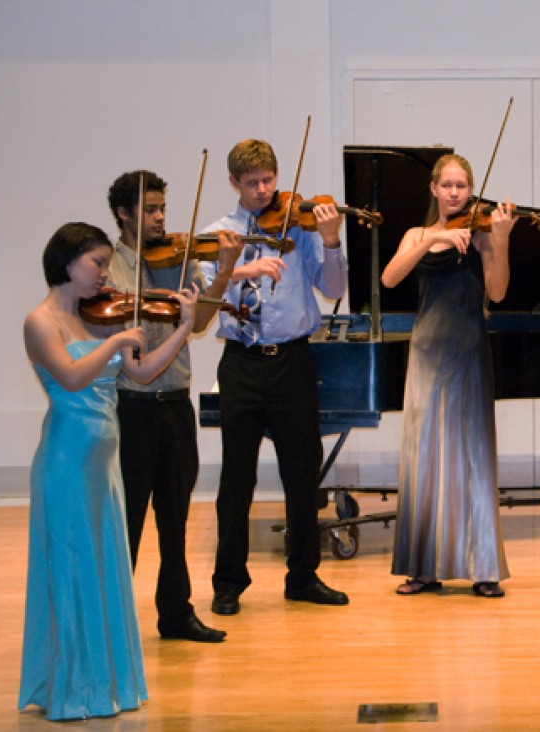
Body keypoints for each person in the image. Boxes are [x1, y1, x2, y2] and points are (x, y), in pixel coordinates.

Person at [20, 222, 198, 721]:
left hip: (104, 467)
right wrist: (117, 337)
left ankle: (106, 683)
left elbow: (141, 372)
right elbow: (73, 377)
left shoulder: (94, 321)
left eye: (103, 262)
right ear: (67, 262)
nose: (104, 272)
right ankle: (73, 686)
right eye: (97, 262)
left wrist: (183, 326)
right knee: (73, 568)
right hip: (66, 463)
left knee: (102, 570)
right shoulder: (42, 322)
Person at [200, 139, 349, 615]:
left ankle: (303, 576)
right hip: (241, 363)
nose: (264, 191)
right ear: (234, 184)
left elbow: (334, 289)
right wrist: (243, 267)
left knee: (303, 475)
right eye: (252, 183)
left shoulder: (299, 228)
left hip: (292, 361)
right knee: (236, 481)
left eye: (268, 180)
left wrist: (329, 240)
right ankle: (228, 583)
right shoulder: (218, 234)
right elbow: (205, 296)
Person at [104, 171, 241, 642]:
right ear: (124, 213)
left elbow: (200, 322)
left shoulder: (182, 259)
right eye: (149, 210)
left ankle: (176, 613)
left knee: (175, 518)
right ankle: (115, 620)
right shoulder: (111, 266)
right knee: (128, 521)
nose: (161, 218)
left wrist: (222, 270)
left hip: (175, 403)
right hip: (132, 405)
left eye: (162, 208)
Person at [380, 154, 516, 598]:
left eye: (462, 186)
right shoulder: (417, 234)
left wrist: (500, 239)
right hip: (425, 353)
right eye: (448, 185)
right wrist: (435, 237)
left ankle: (483, 567)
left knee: (473, 455)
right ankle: (423, 567)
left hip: (469, 350)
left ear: (470, 190)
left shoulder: (479, 236)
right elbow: (390, 278)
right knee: (423, 458)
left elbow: (496, 291)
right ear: (434, 190)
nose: (455, 193)